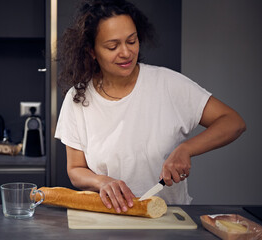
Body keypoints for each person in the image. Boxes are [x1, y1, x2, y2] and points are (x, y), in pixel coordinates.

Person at [55, 0, 246, 213]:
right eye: (112, 46)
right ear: (91, 51)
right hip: (108, 218)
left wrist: (186, 149)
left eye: (132, 41)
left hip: (168, 217)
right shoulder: (78, 97)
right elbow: (75, 169)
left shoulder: (168, 84)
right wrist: (102, 181)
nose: (126, 53)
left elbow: (233, 122)